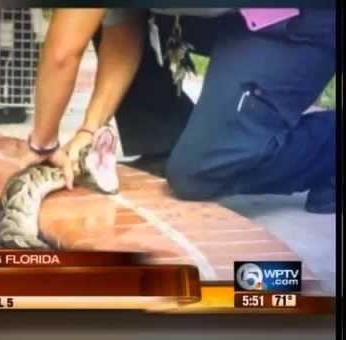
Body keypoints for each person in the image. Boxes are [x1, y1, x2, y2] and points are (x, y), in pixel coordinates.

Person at [20, 6, 336, 214]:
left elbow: (62, 53)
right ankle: (172, 138)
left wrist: (43, 144)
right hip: (227, 18)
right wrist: (90, 129)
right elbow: (121, 32)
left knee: (197, 172)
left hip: (295, 18)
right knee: (104, 15)